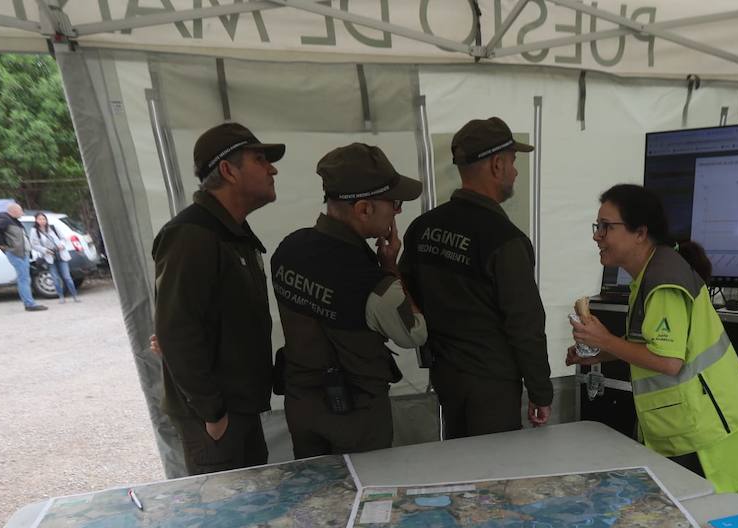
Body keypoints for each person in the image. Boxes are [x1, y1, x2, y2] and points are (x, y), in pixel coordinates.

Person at [570, 183, 738, 494]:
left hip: (701, 434)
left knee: (706, 522)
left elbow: (670, 362)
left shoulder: (663, 281)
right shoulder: (650, 274)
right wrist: (598, 355)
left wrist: (605, 340)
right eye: (597, 226)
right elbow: (652, 346)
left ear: (640, 233)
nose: (596, 236)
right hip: (683, 427)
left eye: (606, 227)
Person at [271, 143, 429, 458]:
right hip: (356, 419)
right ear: (363, 209)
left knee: (315, 498)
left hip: (302, 407)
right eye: (394, 203)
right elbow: (414, 333)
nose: (397, 211)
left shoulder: (288, 249)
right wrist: (391, 267)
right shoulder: (373, 284)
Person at [400, 117, 552, 439]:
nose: (515, 171)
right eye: (512, 162)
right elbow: (525, 325)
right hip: (492, 387)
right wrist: (540, 392)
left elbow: (406, 293)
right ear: (497, 165)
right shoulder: (505, 240)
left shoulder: (423, 228)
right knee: (494, 476)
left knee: (460, 471)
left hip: (447, 379)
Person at [152, 121, 284, 475]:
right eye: (259, 159)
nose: (272, 169)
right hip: (216, 417)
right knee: (227, 517)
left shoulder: (232, 232)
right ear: (228, 170)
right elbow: (176, 331)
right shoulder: (191, 235)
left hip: (240, 408)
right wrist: (213, 414)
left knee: (253, 509)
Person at [0, 203, 46, 312]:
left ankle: (28, 302)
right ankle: (30, 304)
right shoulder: (5, 220)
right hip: (16, 253)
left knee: (24, 278)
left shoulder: (13, 220)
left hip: (22, 253)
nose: (22, 213)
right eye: (20, 211)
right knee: (23, 279)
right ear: (13, 211)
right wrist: (2, 244)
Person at [30, 212, 81, 303]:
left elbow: (63, 238)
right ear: (36, 220)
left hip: (60, 254)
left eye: (43, 219)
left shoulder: (53, 227)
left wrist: (61, 245)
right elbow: (34, 244)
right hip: (49, 256)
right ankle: (61, 297)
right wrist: (45, 250)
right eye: (39, 219)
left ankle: (75, 295)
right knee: (55, 277)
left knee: (67, 277)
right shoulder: (34, 231)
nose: (42, 221)